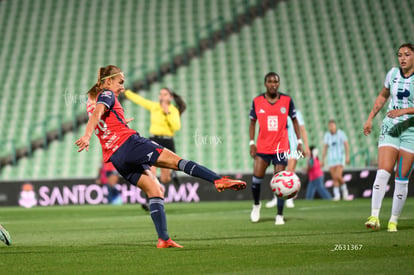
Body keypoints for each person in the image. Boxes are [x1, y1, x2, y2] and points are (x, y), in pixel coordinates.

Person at [75, 65, 246, 248]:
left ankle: (163, 239)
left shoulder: (92, 99)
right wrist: (86, 135)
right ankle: (218, 180)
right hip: (130, 144)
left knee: (155, 191)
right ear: (108, 81)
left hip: (117, 158)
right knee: (178, 162)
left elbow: (102, 120)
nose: (123, 87)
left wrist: (120, 123)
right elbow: (97, 114)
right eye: (121, 82)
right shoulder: (107, 94)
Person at [364, 43, 414, 232]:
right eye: (400, 55)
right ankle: (374, 216)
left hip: (411, 132)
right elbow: (383, 96)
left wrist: (405, 111)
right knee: (383, 171)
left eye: (407, 55)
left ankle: (393, 220)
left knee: (401, 178)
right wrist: (370, 118)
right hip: (391, 128)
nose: (402, 58)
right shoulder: (392, 74)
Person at [249, 72, 303, 225]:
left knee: (280, 181)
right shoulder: (257, 101)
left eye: (276, 81)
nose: (273, 84)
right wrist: (251, 143)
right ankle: (256, 205)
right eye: (270, 81)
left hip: (281, 147)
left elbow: (295, 120)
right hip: (263, 147)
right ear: (265, 83)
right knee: (256, 180)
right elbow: (252, 123)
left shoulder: (286, 100)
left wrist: (299, 141)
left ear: (278, 84)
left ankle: (279, 215)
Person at [124, 87, 185, 186]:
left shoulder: (173, 110)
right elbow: (140, 100)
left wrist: (167, 113)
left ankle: (170, 176)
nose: (162, 97)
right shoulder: (155, 106)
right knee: (151, 172)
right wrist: (126, 92)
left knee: (165, 178)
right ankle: (150, 198)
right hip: (154, 140)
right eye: (161, 94)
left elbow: (176, 126)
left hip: (167, 141)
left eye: (165, 94)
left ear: (171, 97)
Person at [266, 109, 310, 208]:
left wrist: (306, 146)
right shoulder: (278, 113)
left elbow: (302, 130)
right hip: (280, 146)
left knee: (290, 172)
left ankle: (289, 198)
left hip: (293, 146)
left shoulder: (297, 114)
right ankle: (276, 198)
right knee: (277, 173)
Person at [321, 120, 350, 201]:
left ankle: (345, 192)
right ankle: (337, 195)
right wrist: (322, 160)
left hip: (340, 158)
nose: (331, 127)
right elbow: (325, 147)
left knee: (338, 176)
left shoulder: (341, 133)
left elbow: (346, 145)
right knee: (334, 177)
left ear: (335, 126)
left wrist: (347, 156)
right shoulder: (327, 135)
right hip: (331, 159)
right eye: (330, 126)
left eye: (332, 125)